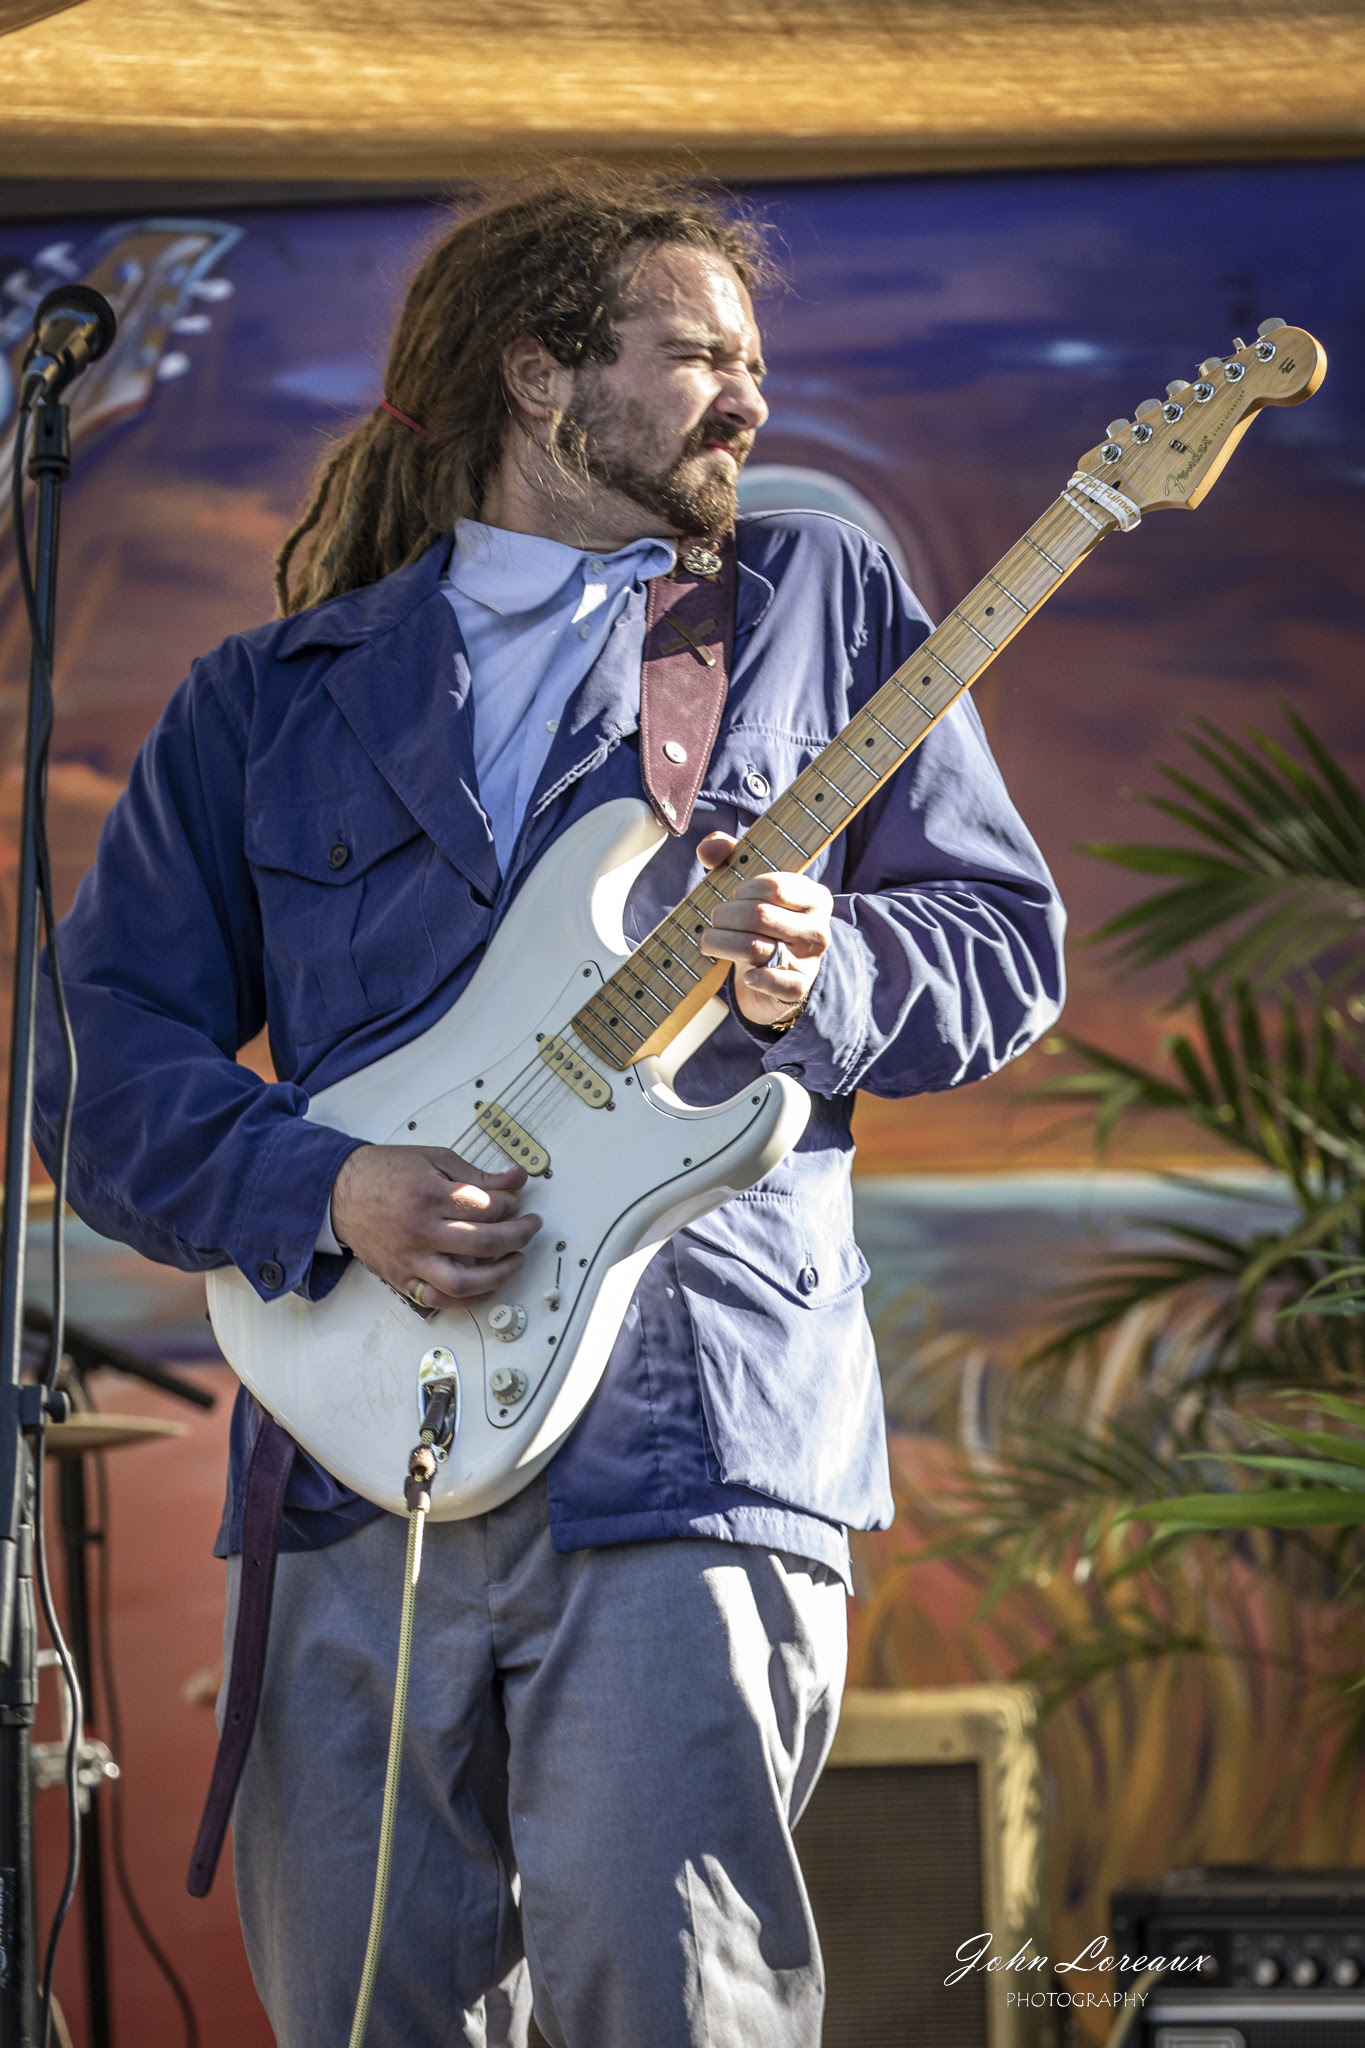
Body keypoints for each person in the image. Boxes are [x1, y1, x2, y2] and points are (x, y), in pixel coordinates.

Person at [35, 170, 1065, 2048]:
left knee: (679, 2010)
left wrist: (810, 973)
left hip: (687, 1440)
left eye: (756, 362)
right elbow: (102, 1076)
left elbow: (999, 947)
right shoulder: (263, 702)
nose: (750, 398)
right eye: (698, 353)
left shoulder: (813, 602)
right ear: (538, 376)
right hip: (357, 1465)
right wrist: (326, 1185)